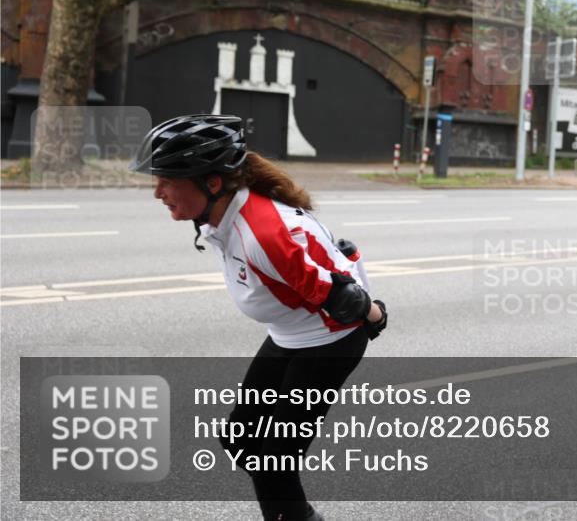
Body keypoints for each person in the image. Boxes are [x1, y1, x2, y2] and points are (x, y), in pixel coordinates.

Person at [130, 114, 387, 521]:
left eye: (167, 180)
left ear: (212, 183)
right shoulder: (227, 211)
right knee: (241, 438)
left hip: (329, 339)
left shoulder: (262, 235)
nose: (157, 192)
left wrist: (375, 316)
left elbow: (345, 298)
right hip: (290, 333)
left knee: (273, 463)